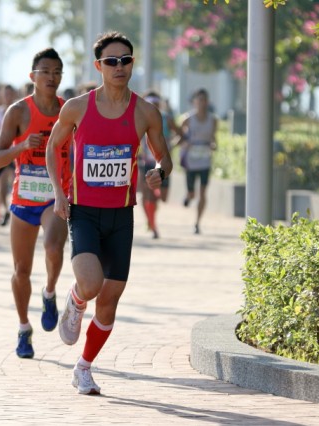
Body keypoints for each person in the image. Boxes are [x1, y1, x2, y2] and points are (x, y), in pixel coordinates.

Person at [46, 31, 172, 395]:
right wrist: (58, 192)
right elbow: (54, 148)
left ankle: (83, 367)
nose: (120, 67)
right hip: (84, 211)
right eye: (112, 61)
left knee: (109, 303)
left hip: (121, 216)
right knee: (90, 284)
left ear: (132, 64)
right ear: (98, 66)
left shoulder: (146, 112)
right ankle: (75, 300)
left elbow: (164, 157)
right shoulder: (76, 108)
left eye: (126, 60)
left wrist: (159, 172)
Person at [0, 48, 71, 359]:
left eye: (57, 72)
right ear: (33, 76)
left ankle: (49, 292)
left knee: (53, 247)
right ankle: (24, 328)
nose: (52, 77)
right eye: (45, 71)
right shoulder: (18, 112)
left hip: (55, 195)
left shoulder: (68, 110)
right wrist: (23, 145)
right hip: (24, 198)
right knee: (21, 270)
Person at [139, 91, 180, 239]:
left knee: (162, 197)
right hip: (146, 162)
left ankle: (151, 216)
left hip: (162, 163)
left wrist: (172, 146)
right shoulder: (139, 117)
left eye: (155, 103)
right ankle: (152, 225)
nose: (153, 106)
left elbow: (181, 133)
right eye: (149, 103)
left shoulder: (166, 118)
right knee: (148, 194)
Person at [178, 88, 217, 235]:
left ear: (207, 102)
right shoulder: (187, 119)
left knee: (203, 192)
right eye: (199, 100)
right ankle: (188, 197)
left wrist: (213, 145)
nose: (202, 103)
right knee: (192, 193)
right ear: (195, 102)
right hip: (191, 160)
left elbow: (214, 138)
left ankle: (197, 223)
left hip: (205, 159)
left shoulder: (213, 120)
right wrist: (184, 143)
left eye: (204, 100)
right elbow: (180, 136)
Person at [0, 84, 18, 228]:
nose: (8, 97)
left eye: (10, 94)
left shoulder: (19, 111)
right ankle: (5, 210)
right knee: (1, 184)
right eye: (5, 94)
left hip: (16, 152)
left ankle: (12, 209)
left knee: (15, 182)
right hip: (2, 152)